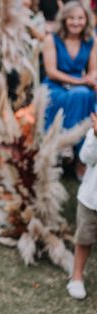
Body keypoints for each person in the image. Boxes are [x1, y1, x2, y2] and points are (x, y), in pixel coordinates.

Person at [42, 1, 96, 159]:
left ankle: (77, 152)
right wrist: (79, 81)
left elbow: (94, 70)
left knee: (84, 94)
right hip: (55, 86)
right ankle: (68, 146)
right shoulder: (52, 39)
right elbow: (51, 71)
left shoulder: (91, 39)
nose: (76, 22)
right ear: (64, 19)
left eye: (80, 18)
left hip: (80, 86)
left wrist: (91, 78)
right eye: (71, 18)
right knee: (80, 94)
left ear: (86, 20)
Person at [69, 113, 97, 300]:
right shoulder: (93, 133)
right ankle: (76, 277)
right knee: (84, 240)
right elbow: (86, 157)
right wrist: (95, 136)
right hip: (91, 199)